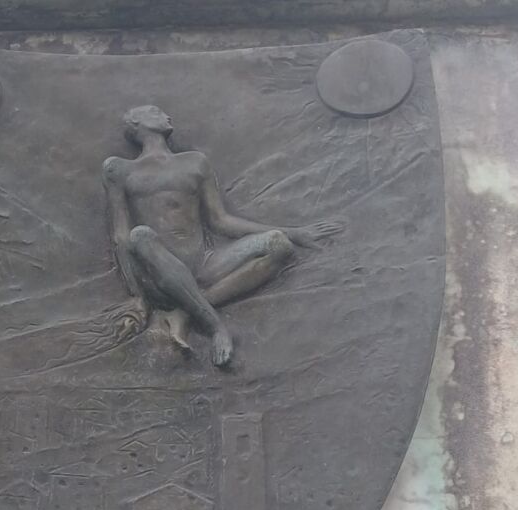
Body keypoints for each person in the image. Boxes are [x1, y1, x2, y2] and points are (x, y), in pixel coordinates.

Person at [103, 105, 342, 367]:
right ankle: (215, 327)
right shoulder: (119, 169)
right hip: (157, 274)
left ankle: (186, 312)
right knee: (140, 235)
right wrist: (136, 295)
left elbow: (221, 221)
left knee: (278, 244)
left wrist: (294, 233)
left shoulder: (196, 162)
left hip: (204, 265)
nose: (166, 115)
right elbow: (121, 235)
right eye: (155, 112)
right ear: (136, 122)